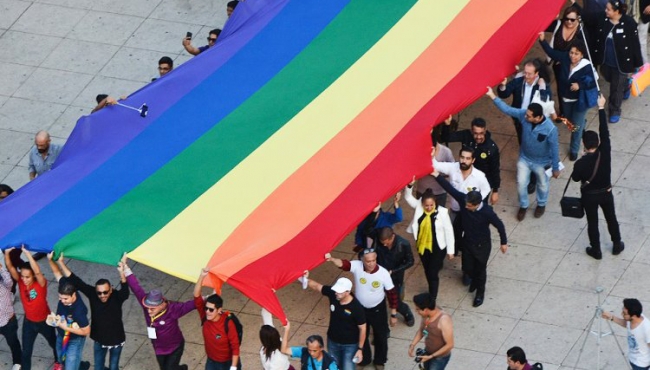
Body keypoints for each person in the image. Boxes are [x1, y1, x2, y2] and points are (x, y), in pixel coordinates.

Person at [432, 170, 508, 307]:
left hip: (482, 245)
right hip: (467, 242)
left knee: (480, 270)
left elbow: (499, 225)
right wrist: (436, 175)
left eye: (469, 206)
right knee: (467, 267)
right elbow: (450, 189)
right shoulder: (464, 200)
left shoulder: (487, 212)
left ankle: (480, 292)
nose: (466, 207)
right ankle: (472, 280)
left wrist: (504, 242)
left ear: (477, 204)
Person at [487, 87, 560, 221]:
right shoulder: (524, 115)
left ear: (538, 117)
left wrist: (555, 167)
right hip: (524, 158)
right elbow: (508, 110)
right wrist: (493, 96)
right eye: (526, 114)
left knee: (543, 185)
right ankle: (524, 205)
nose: (525, 117)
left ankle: (541, 204)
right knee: (521, 183)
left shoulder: (550, 129)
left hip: (542, 162)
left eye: (529, 116)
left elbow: (555, 148)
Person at [54, 254, 129, 370]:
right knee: (98, 367)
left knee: (114, 367)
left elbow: (125, 291)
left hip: (116, 340)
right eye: (99, 292)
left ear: (111, 290)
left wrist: (122, 272)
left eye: (105, 292)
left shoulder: (117, 297)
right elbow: (76, 281)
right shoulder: (93, 294)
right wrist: (61, 263)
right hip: (99, 339)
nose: (102, 295)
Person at [571, 95, 624, 259]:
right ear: (598, 143)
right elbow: (604, 131)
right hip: (606, 192)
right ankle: (616, 244)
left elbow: (575, 178)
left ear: (585, 146)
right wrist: (601, 108)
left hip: (589, 197)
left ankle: (596, 249)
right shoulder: (605, 152)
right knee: (611, 218)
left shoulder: (580, 163)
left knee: (592, 223)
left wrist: (583, 158)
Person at [326, 250, 397, 369]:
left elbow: (392, 294)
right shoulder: (357, 266)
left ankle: (380, 360)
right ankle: (365, 359)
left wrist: (393, 314)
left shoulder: (383, 273)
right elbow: (344, 264)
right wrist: (332, 259)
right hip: (360, 309)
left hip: (378, 310)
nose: (371, 263)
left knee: (381, 336)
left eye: (374, 260)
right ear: (363, 260)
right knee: (361, 334)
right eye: (368, 261)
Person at [122, 257, 195, 370]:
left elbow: (191, 305)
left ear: (161, 305)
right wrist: (125, 268)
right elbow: (136, 288)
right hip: (159, 349)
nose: (148, 311)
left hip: (175, 347)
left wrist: (206, 299)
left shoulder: (173, 309)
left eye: (152, 308)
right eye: (147, 308)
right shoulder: (146, 305)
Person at [497, 59, 551, 194]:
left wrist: (543, 88)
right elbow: (504, 93)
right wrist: (503, 86)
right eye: (525, 73)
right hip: (521, 121)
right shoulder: (519, 81)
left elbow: (545, 103)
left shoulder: (542, 85)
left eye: (529, 74)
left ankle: (533, 179)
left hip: (535, 123)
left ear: (536, 74)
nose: (525, 76)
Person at [539, 35, 597, 160]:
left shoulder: (587, 66)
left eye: (576, 53)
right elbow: (552, 53)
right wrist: (542, 40)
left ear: (582, 55)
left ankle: (574, 149)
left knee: (575, 128)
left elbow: (593, 82)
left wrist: (580, 85)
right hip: (565, 98)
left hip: (579, 101)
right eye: (571, 52)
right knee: (569, 121)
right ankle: (582, 123)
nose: (573, 56)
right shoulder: (565, 58)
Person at [585, 0, 643, 123]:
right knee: (608, 78)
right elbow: (587, 17)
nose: (605, 11)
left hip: (621, 64)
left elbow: (635, 44)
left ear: (616, 11)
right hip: (606, 62)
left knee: (616, 88)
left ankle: (615, 109)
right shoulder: (603, 18)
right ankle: (626, 85)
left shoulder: (629, 23)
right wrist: (574, 4)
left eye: (608, 9)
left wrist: (638, 63)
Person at [4, 246, 60, 370]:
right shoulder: (20, 281)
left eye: (27, 277)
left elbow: (38, 271)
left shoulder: (41, 283)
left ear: (33, 276)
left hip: (45, 321)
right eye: (22, 276)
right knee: (26, 352)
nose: (24, 279)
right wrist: (7, 254)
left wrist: (27, 254)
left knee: (55, 344)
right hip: (28, 322)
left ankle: (59, 362)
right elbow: (10, 268)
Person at [303, 275, 366, 370]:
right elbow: (316, 286)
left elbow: (363, 328)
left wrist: (360, 349)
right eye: (336, 290)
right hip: (332, 342)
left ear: (348, 292)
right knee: (333, 367)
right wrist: (302, 278)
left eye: (339, 292)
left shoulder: (356, 308)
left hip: (350, 345)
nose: (336, 293)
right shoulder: (334, 294)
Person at [403, 185, 454, 300]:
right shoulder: (419, 207)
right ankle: (432, 287)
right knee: (427, 269)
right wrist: (409, 186)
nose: (429, 207)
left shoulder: (442, 213)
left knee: (432, 272)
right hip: (422, 246)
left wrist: (450, 250)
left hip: (438, 246)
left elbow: (449, 231)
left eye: (431, 205)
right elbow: (408, 198)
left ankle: (433, 295)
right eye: (426, 205)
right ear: (422, 204)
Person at [441, 116, 501, 205]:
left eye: (481, 133)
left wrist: (495, 191)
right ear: (472, 131)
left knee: (479, 209)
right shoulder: (466, 135)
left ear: (485, 130)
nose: (478, 137)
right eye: (476, 133)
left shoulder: (491, 148)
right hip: (465, 179)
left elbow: (495, 169)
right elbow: (446, 138)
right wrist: (447, 125)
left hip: (481, 183)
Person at [48, 254, 91, 370]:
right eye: (60, 298)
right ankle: (82, 366)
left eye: (65, 299)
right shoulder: (65, 287)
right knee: (62, 359)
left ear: (74, 295)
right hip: (61, 335)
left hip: (74, 340)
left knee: (70, 366)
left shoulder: (79, 311)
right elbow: (57, 273)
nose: (62, 301)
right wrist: (50, 259)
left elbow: (86, 331)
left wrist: (65, 327)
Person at [193, 268, 241, 370]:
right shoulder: (205, 317)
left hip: (227, 363)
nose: (207, 311)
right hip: (211, 362)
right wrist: (202, 276)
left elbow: (235, 347)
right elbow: (196, 295)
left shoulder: (228, 323)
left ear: (219, 310)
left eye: (211, 310)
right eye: (206, 308)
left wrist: (233, 366)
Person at [544, 3, 587, 111]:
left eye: (572, 19)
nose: (569, 22)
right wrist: (552, 15)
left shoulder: (581, 31)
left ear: (578, 19)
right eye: (567, 19)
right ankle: (563, 111)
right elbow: (543, 24)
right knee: (561, 87)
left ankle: (576, 108)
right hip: (558, 63)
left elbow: (583, 50)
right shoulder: (558, 24)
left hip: (574, 64)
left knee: (574, 86)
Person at [376, 227, 415, 327]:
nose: (384, 245)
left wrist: (394, 271)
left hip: (395, 278)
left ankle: (407, 313)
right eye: (382, 242)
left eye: (386, 242)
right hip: (380, 275)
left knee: (396, 301)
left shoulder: (403, 244)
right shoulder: (378, 243)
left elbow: (410, 261)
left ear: (392, 236)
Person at [408, 293, 453, 370]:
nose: (416, 311)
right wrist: (412, 345)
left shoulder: (443, 320)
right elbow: (421, 331)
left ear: (425, 310)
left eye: (418, 309)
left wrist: (431, 356)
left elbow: (450, 345)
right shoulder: (425, 315)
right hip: (428, 352)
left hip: (439, 358)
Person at [602, 298, 650, 370]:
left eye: (624, 313)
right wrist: (611, 317)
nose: (622, 314)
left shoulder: (646, 328)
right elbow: (626, 324)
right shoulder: (633, 318)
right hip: (632, 358)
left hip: (641, 364)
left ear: (633, 316)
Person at [417, 136, 454, 206]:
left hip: (439, 193)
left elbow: (452, 171)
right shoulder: (419, 151)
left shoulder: (446, 152)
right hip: (422, 191)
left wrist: (437, 173)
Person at [0, 256, 22, 370]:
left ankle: (17, 362)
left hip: (9, 322)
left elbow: (8, 279)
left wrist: (1, 268)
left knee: (13, 343)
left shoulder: (5, 286)